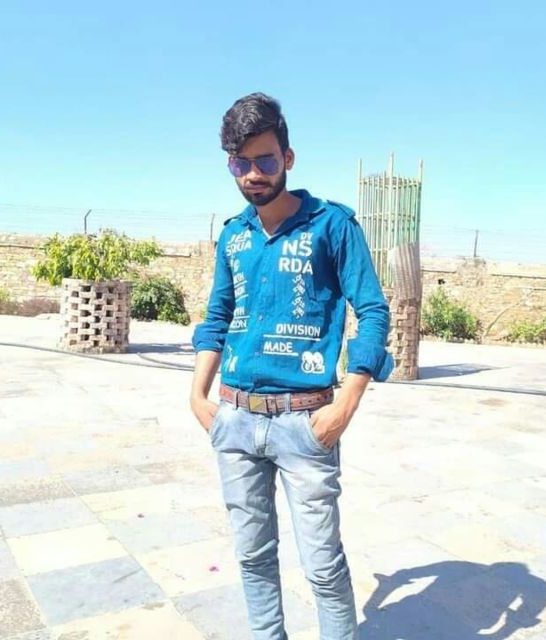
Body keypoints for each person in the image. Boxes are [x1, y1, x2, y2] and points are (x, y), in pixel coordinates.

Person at [190, 92, 393, 640]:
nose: (254, 174)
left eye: (265, 160)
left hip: (305, 423)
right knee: (252, 558)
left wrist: (344, 407)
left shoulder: (331, 226)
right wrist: (197, 397)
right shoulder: (234, 235)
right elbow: (217, 316)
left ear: (288, 157)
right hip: (234, 419)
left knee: (323, 567)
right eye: (240, 164)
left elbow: (372, 311)